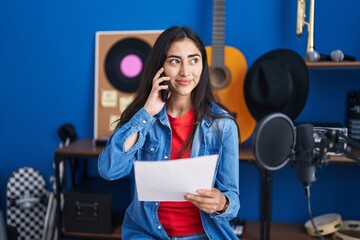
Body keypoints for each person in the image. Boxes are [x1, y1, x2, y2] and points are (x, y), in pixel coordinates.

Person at [98, 26, 240, 240]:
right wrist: (147, 113)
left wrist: (222, 203)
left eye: (194, 60)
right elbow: (109, 169)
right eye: (175, 61)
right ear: (160, 67)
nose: (185, 72)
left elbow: (233, 201)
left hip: (204, 234)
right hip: (147, 234)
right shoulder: (144, 118)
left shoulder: (223, 125)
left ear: (203, 65)